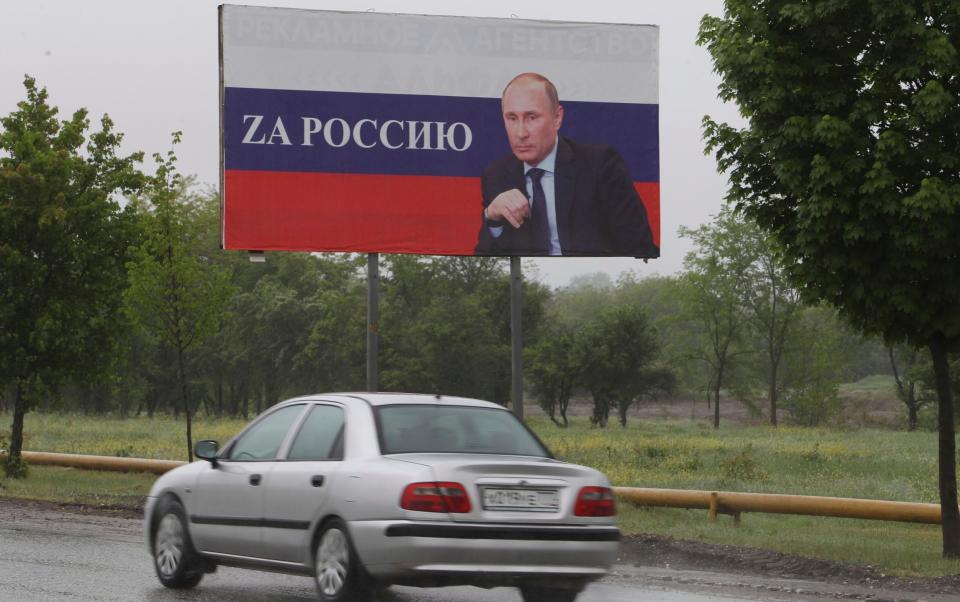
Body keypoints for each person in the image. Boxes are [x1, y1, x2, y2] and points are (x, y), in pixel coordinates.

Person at [475, 73, 658, 257]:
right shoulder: (496, 176)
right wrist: (492, 218)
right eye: (512, 118)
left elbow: (640, 248)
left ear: (557, 118)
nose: (521, 133)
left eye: (532, 117)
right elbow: (485, 263)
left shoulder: (600, 165)